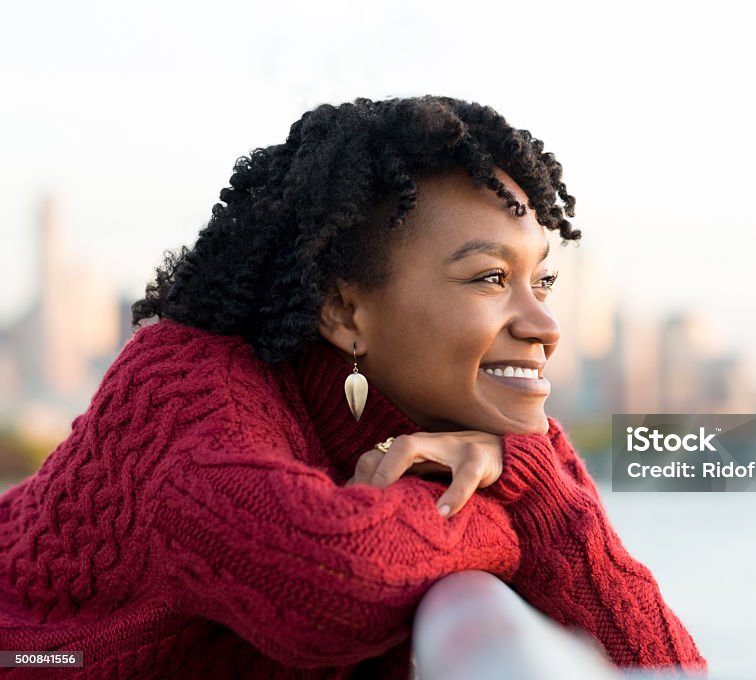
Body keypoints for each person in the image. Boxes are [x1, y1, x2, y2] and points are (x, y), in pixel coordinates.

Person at [0, 96, 707, 678]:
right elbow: (333, 579)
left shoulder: (491, 429)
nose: (544, 324)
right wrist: (497, 509)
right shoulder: (184, 391)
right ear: (344, 311)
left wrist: (524, 473)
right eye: (491, 279)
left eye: (542, 280)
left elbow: (661, 665)